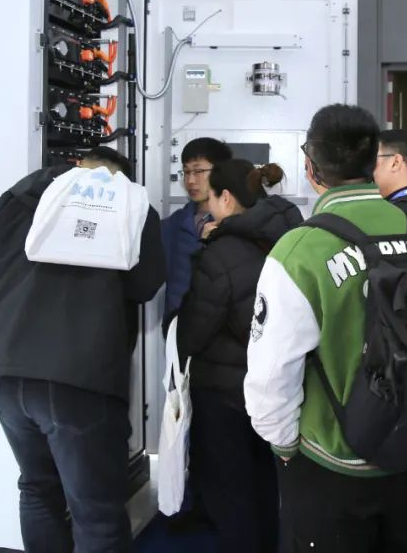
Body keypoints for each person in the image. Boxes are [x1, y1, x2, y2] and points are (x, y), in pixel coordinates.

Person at [245, 104, 407, 553]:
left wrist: (285, 446)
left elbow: (271, 376)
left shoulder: (300, 249)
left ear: (310, 168)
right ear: (374, 162)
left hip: (332, 463)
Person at [0, 147, 165, 553]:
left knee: (37, 488)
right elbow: (145, 286)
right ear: (122, 178)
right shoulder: (132, 205)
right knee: (96, 510)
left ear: (77, 164)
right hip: (79, 376)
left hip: (3, 368)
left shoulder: (21, 194)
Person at [176, 159, 302, 553]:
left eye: (211, 197)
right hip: (279, 386)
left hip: (225, 392)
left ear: (226, 198)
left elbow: (195, 330)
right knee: (266, 483)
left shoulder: (221, 253)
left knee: (230, 491)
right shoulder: (293, 237)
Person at [161, 137, 233, 327]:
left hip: (224, 330)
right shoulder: (172, 225)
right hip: (179, 328)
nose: (190, 180)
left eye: (198, 171)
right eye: (186, 172)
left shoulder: (236, 224)